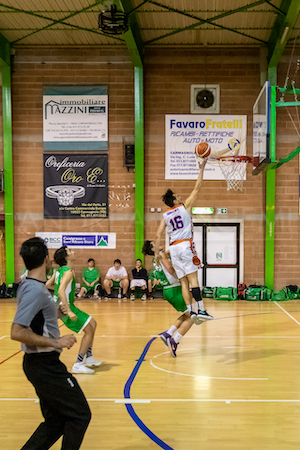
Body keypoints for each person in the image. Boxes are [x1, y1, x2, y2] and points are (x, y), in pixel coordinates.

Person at [11, 237, 91, 450]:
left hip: (41, 364)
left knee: (56, 422)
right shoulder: (34, 290)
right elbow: (17, 331)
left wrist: (54, 312)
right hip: (43, 365)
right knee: (80, 415)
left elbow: (36, 318)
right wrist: (56, 341)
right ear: (46, 259)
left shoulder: (33, 286)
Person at [155, 158, 213, 324]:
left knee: (183, 282)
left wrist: (157, 253)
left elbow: (159, 234)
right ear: (173, 201)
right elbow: (197, 188)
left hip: (172, 248)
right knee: (193, 280)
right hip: (185, 245)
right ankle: (201, 309)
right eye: (176, 196)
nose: (179, 196)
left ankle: (191, 312)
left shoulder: (165, 215)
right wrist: (201, 169)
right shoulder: (184, 207)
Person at [143, 240, 201, 357]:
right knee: (194, 316)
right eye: (154, 243)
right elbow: (170, 269)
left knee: (186, 314)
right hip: (175, 289)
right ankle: (175, 340)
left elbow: (170, 255)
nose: (157, 242)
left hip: (169, 290)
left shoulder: (157, 257)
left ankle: (168, 333)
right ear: (152, 248)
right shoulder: (162, 255)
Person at [50, 246, 101, 374]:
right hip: (65, 307)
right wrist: (69, 310)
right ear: (66, 257)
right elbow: (61, 290)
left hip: (60, 305)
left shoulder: (59, 270)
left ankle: (88, 358)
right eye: (70, 251)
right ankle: (78, 364)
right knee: (89, 330)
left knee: (93, 323)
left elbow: (49, 285)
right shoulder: (67, 272)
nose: (73, 252)